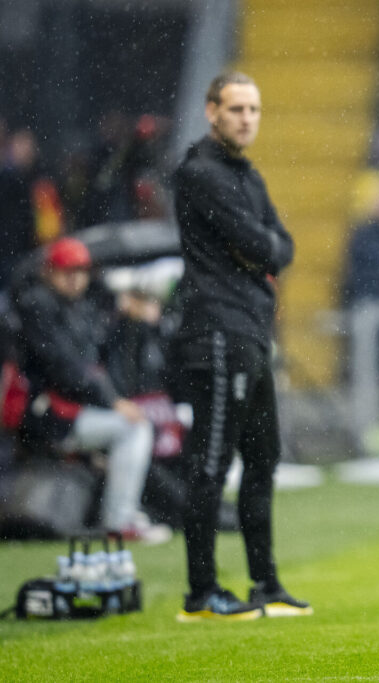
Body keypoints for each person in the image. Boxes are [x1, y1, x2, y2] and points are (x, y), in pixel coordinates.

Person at [171, 72, 309, 621]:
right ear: (211, 111)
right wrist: (262, 249)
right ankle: (199, 593)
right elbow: (261, 243)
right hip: (218, 333)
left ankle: (265, 584)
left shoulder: (244, 174)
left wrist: (263, 249)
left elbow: (282, 247)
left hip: (248, 331)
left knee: (262, 457)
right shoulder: (201, 173)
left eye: (254, 109)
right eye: (236, 109)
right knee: (210, 462)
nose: (247, 118)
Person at [13, 237, 171, 543]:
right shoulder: (38, 305)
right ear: (49, 272)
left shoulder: (78, 306)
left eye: (81, 270)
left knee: (136, 425)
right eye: (66, 271)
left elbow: (96, 363)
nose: (75, 278)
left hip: (70, 409)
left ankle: (125, 514)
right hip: (47, 414)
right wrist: (112, 401)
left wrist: (127, 319)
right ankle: (119, 521)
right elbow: (65, 369)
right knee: (133, 430)